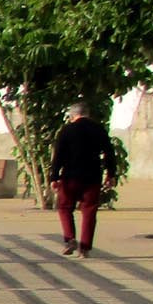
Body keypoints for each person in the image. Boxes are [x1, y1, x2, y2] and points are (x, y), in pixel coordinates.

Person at [48, 101, 117, 258]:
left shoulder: (66, 130)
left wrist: (54, 177)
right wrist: (111, 174)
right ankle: (84, 247)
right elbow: (109, 153)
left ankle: (70, 239)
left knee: (64, 207)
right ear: (88, 114)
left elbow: (58, 155)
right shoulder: (98, 129)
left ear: (73, 116)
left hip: (70, 176)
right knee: (89, 210)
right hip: (92, 176)